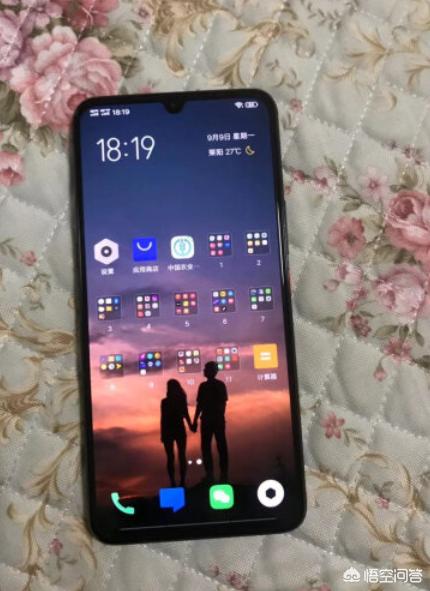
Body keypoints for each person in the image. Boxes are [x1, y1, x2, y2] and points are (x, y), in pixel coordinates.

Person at [192, 361, 229, 482]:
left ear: (211, 371)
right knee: (217, 447)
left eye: (206, 369)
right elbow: (201, 405)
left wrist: (195, 421)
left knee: (211, 447)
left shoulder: (208, 386)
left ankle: (215, 474)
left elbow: (201, 405)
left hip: (211, 420)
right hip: (213, 420)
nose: (204, 371)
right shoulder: (212, 385)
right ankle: (218, 474)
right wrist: (195, 420)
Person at [160, 379, 192, 487]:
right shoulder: (177, 400)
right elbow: (185, 414)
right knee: (177, 456)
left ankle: (176, 481)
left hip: (172, 430)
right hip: (176, 429)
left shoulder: (166, 402)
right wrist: (191, 425)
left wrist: (190, 425)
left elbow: (164, 419)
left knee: (174, 456)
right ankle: (177, 481)